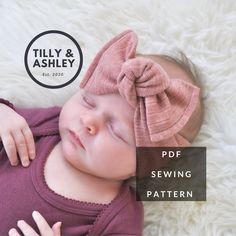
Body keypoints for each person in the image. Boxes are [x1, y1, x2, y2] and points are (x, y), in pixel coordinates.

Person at [0, 30, 203, 236]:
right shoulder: (47, 126)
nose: (88, 120)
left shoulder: (120, 217)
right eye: (88, 101)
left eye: (115, 130)